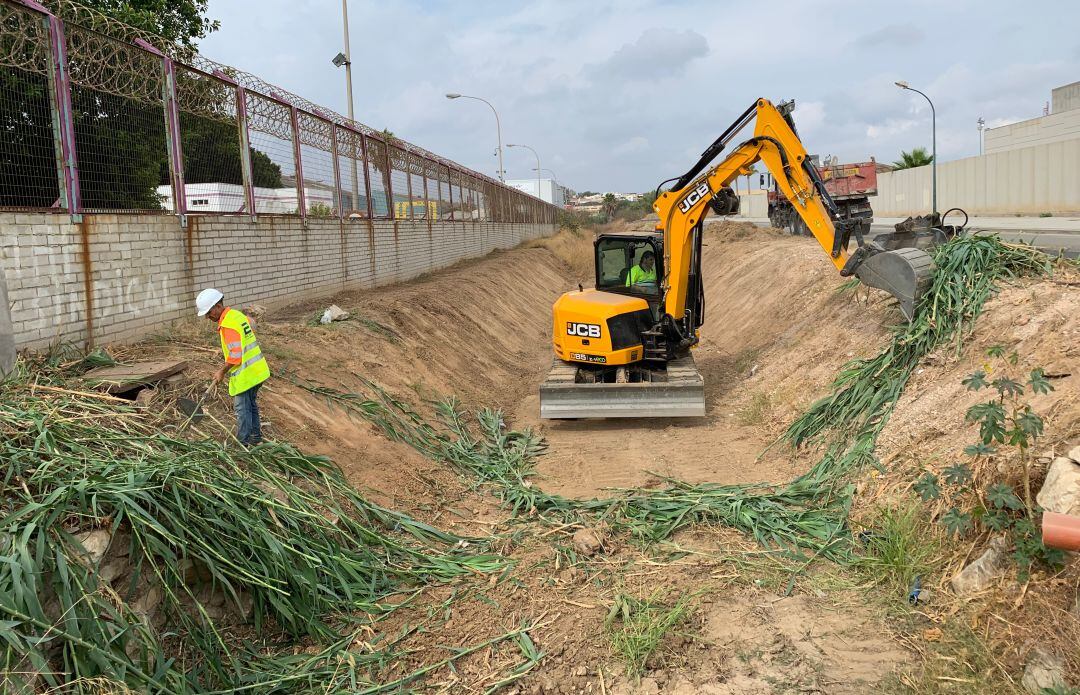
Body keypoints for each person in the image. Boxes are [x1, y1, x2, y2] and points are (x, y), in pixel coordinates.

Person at [195, 288, 270, 446]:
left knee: (242, 409)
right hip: (258, 370)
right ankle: (255, 438)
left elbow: (236, 356)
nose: (208, 317)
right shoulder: (236, 315)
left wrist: (221, 371)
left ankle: (243, 443)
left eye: (209, 312)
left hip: (246, 375)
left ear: (217, 306)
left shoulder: (228, 325)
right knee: (251, 405)